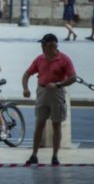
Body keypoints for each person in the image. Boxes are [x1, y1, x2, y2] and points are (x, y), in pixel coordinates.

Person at [22, 33, 76, 165]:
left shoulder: (64, 59)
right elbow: (27, 73)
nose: (42, 47)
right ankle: (34, 154)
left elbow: (73, 77)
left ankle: (55, 155)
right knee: (39, 123)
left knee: (56, 124)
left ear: (52, 46)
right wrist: (25, 88)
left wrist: (58, 84)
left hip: (56, 93)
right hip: (42, 92)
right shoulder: (40, 59)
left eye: (44, 45)